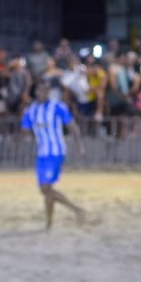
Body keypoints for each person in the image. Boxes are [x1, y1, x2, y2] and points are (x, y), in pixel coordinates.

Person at [21, 83, 87, 230]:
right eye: (41, 90)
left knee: (46, 188)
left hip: (55, 152)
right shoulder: (31, 110)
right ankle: (49, 222)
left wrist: (80, 145)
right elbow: (25, 129)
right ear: (36, 91)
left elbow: (72, 126)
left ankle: (76, 210)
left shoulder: (58, 107)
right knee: (46, 190)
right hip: (42, 154)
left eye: (46, 90)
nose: (43, 92)